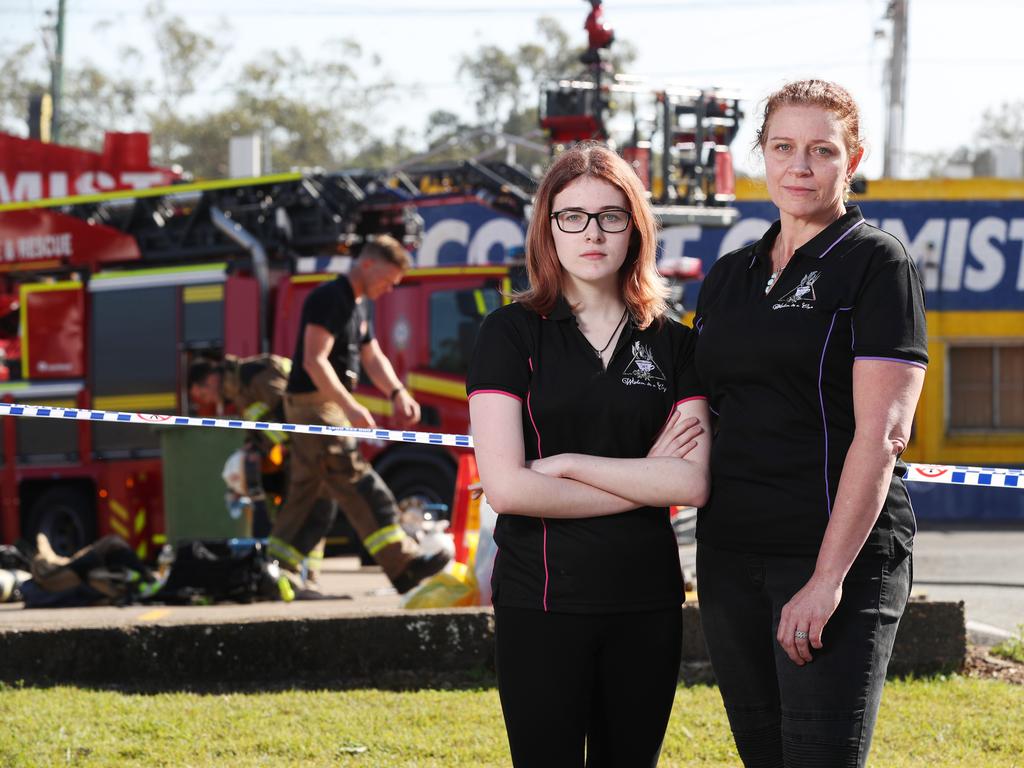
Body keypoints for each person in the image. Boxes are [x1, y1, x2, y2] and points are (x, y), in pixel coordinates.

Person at [690, 80, 927, 767]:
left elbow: (883, 435)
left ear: (852, 159)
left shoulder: (876, 264)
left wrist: (826, 581)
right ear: (760, 155)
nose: (801, 165)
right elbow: (701, 413)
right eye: (784, 147)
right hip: (732, 560)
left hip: (832, 558)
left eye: (822, 150)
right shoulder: (731, 275)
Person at [467, 143, 711, 767]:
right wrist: (646, 478)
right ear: (548, 228)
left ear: (636, 227)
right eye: (572, 216)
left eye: (611, 215)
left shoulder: (676, 345)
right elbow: (509, 491)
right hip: (542, 601)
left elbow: (693, 482)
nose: (593, 232)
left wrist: (569, 464)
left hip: (647, 602)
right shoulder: (510, 332)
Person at [270, 235, 450, 595]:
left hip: (323, 406)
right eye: (389, 278)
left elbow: (372, 356)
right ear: (367, 264)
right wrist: (351, 407)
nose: (391, 287)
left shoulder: (358, 304)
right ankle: (403, 565)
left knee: (311, 496)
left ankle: (274, 570)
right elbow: (313, 360)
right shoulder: (329, 298)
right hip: (314, 408)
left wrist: (397, 392)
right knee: (358, 481)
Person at [188, 353, 295, 541]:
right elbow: (260, 425)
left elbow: (289, 414)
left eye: (204, 394)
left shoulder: (254, 374)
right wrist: (251, 448)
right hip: (293, 453)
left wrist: (289, 446)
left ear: (212, 379)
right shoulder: (239, 391)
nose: (209, 401)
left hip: (304, 449)